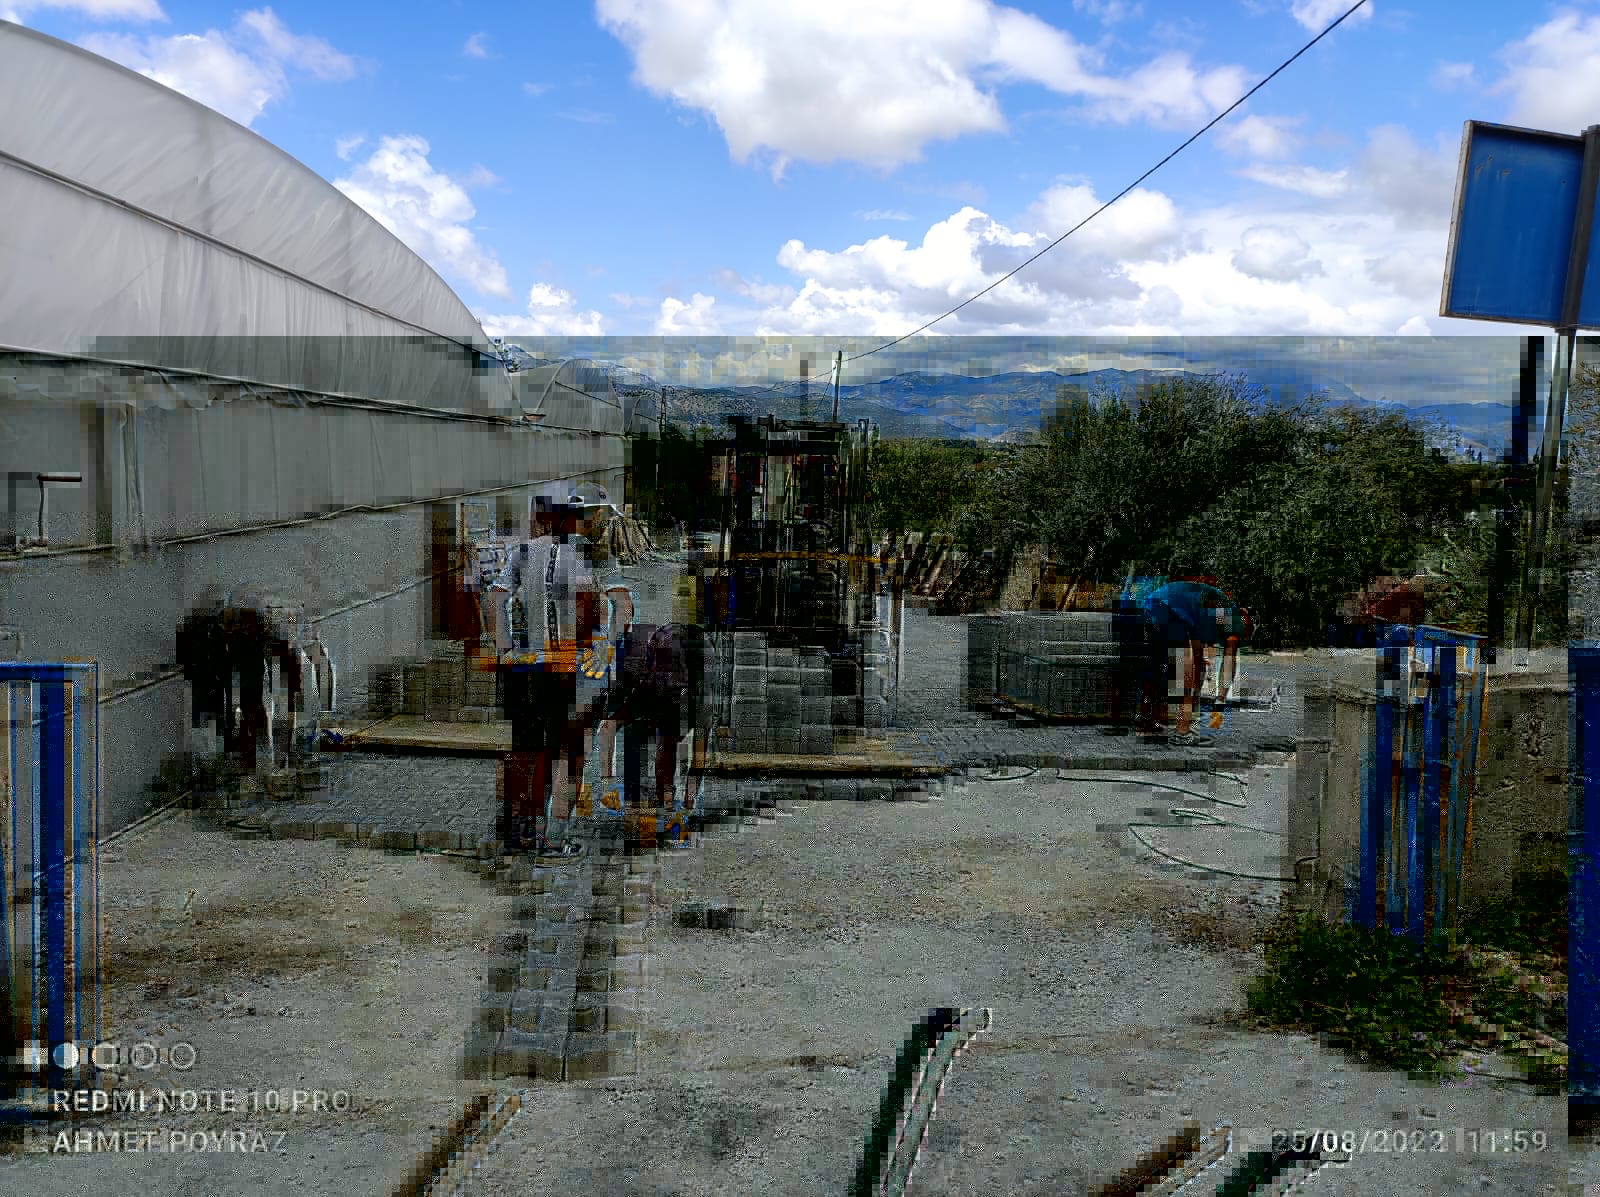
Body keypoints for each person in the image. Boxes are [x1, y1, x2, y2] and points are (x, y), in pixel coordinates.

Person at [486, 482, 614, 862]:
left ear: (539, 517)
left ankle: (518, 832)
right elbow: (588, 612)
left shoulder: (522, 554)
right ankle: (555, 838)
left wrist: (506, 649)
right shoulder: (577, 557)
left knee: (525, 749)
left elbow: (494, 601)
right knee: (567, 754)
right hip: (563, 670)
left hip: (525, 668)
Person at [1135, 578, 1252, 747]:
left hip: (1152, 604)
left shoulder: (1213, 612)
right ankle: (1182, 733)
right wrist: (1220, 701)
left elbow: (1197, 643)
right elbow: (1229, 661)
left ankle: (1144, 719)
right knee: (1192, 675)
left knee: (1157, 665)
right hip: (1171, 611)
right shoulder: (1236, 620)